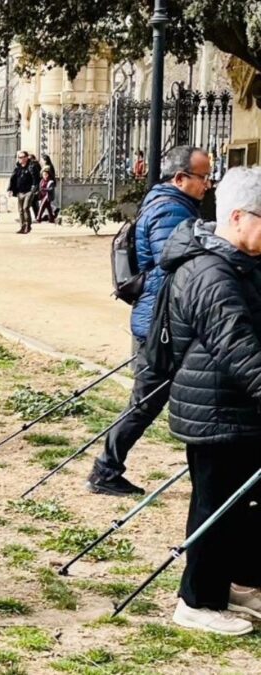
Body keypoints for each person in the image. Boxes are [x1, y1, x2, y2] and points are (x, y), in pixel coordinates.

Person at [157, 166, 261, 636]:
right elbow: (239, 346)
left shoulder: (238, 262)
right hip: (215, 409)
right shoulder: (209, 271)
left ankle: (235, 581)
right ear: (238, 217)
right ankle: (196, 601)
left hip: (238, 408)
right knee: (215, 507)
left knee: (240, 506)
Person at [86, 146, 209, 496]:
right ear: (180, 178)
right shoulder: (170, 209)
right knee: (146, 402)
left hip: (161, 321)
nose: (208, 183)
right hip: (162, 326)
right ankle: (105, 470)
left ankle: (107, 468)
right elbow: (177, 260)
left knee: (154, 401)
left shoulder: (173, 204)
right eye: (202, 176)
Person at [7, 151, 40, 234]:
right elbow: (13, 179)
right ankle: (22, 226)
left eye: (22, 157)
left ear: (26, 157)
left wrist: (34, 188)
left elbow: (36, 179)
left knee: (26, 207)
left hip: (29, 191)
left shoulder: (31, 166)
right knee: (20, 210)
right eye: (19, 157)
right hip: (20, 191)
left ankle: (28, 225)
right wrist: (10, 189)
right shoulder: (17, 168)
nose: (20, 159)